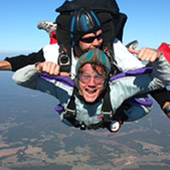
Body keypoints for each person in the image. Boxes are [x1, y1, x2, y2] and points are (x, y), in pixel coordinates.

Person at [0, 8, 170, 118]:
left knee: (123, 75)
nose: (96, 43)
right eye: (89, 39)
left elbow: (148, 81)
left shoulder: (113, 48)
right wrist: (37, 67)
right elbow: (23, 62)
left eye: (99, 36)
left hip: (113, 73)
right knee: (57, 62)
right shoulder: (57, 53)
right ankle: (55, 34)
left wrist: (166, 104)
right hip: (67, 59)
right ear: (75, 40)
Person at [13, 48, 170, 132]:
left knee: (140, 110)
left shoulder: (117, 88)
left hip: (110, 116)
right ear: (76, 78)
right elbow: (19, 79)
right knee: (66, 119)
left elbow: (162, 80)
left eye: (99, 77)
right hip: (76, 119)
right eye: (85, 76)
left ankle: (122, 58)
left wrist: (159, 58)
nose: (92, 83)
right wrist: (37, 68)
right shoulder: (64, 89)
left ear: (108, 80)